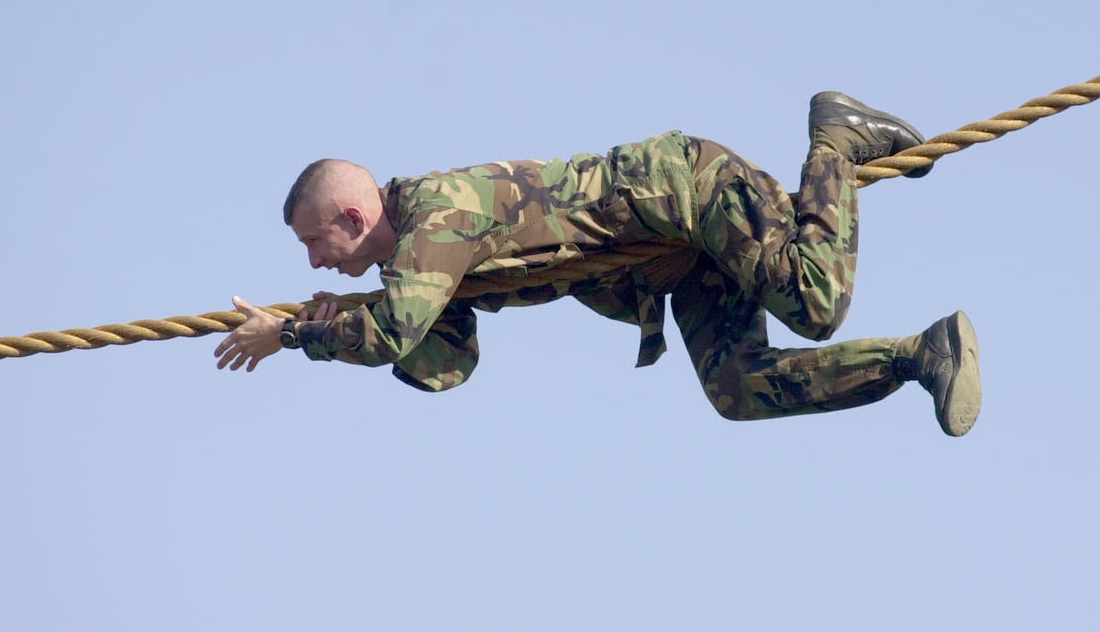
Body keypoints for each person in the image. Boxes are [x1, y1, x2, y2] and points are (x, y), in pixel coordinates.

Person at [214, 92, 981, 436]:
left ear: (353, 217)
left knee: (814, 299)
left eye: (316, 242)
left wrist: (290, 338)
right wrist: (330, 325)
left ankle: (835, 142)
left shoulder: (437, 219)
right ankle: (922, 354)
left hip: (686, 194)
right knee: (740, 390)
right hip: (676, 264)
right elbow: (443, 362)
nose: (315, 260)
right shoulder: (414, 273)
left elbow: (393, 333)